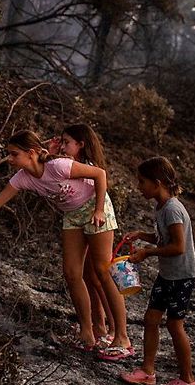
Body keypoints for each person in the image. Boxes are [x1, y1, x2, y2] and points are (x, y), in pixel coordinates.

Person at [0, 130, 133, 359]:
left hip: (95, 208)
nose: (10, 159)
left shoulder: (59, 166)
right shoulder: (22, 178)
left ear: (31, 153)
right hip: (72, 216)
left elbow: (100, 174)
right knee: (72, 273)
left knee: (103, 270)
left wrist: (99, 209)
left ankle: (122, 337)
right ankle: (87, 333)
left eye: (14, 154)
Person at [119, 156, 195, 385]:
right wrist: (142, 236)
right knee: (151, 319)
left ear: (157, 183)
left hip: (182, 276)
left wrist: (147, 253)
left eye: (142, 182)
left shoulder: (173, 209)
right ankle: (147, 371)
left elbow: (178, 246)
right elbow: (163, 238)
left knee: (175, 325)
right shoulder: (161, 206)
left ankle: (188, 379)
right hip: (167, 275)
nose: (139, 187)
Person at [52, 124, 116, 347]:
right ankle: (97, 327)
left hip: (96, 218)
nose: (62, 146)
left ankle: (115, 330)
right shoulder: (66, 163)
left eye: (66, 142)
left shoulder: (85, 166)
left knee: (99, 275)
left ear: (81, 145)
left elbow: (100, 180)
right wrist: (51, 149)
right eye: (61, 141)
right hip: (76, 220)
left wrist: (98, 211)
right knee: (88, 276)